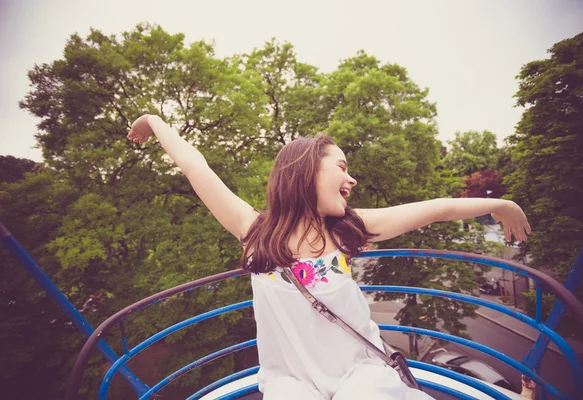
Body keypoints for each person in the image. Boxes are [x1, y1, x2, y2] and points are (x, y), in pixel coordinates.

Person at [127, 114, 531, 400]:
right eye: (341, 167)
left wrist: (502, 204)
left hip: (361, 374)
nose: (351, 178)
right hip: (291, 383)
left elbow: (437, 208)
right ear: (305, 172)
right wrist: (154, 121)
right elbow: (194, 165)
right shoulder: (252, 230)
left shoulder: (348, 228)